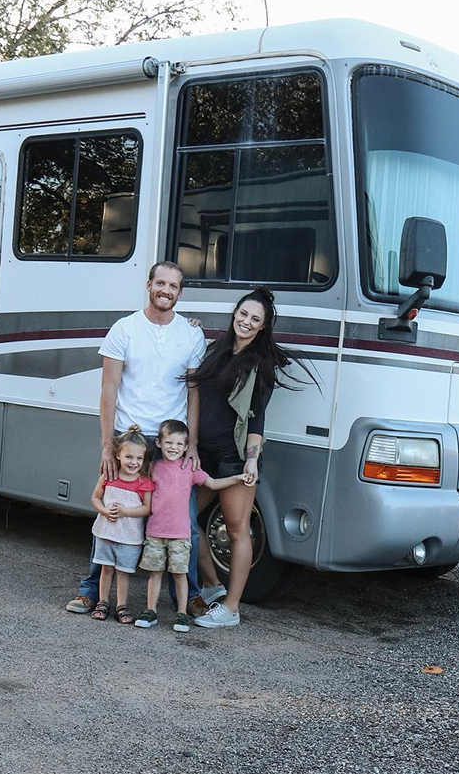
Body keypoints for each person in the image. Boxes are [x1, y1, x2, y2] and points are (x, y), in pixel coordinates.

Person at [65, 261, 209, 616]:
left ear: (180, 292)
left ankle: (187, 597)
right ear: (149, 285)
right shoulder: (124, 329)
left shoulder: (191, 335)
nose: (166, 290)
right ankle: (91, 592)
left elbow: (194, 393)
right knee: (113, 515)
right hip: (128, 438)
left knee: (183, 523)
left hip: (171, 443)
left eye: (173, 286)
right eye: (160, 283)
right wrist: (106, 443)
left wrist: (191, 444)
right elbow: (109, 389)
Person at [190, 287, 315, 629]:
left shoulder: (261, 364)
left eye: (255, 319)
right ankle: (214, 585)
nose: (246, 322)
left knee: (236, 529)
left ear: (262, 328)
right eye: (243, 314)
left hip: (234, 457)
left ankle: (231, 608)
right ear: (235, 314)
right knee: (184, 520)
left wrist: (250, 460)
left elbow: (257, 418)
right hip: (204, 454)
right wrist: (189, 329)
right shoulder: (216, 350)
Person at [134, 419, 249, 632]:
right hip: (155, 533)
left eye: (179, 444)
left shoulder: (189, 469)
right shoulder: (152, 468)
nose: (173, 448)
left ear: (186, 447)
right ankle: (151, 611)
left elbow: (213, 484)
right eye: (169, 443)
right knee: (155, 573)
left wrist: (237, 479)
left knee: (180, 574)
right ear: (158, 443)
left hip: (180, 535)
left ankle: (181, 613)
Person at [88, 425, 154, 624]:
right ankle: (103, 602)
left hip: (129, 536)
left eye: (139, 458)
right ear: (118, 455)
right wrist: (104, 510)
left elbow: (147, 509)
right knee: (106, 569)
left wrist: (126, 511)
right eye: (129, 457)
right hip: (106, 532)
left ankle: (122, 605)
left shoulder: (144, 482)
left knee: (123, 572)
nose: (134, 462)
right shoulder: (109, 477)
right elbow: (95, 498)